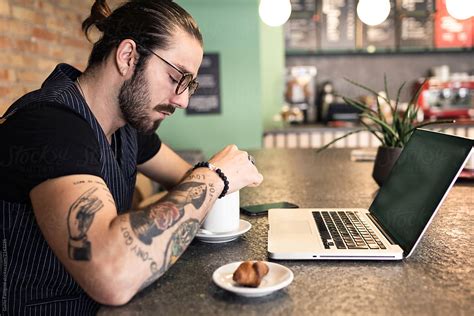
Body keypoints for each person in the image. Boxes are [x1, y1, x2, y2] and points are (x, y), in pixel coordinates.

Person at [0, 0, 263, 314]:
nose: (182, 100)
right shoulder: (52, 125)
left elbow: (184, 178)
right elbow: (112, 277)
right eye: (176, 77)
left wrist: (213, 179)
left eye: (189, 84)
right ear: (127, 57)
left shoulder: (128, 125)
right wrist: (214, 175)